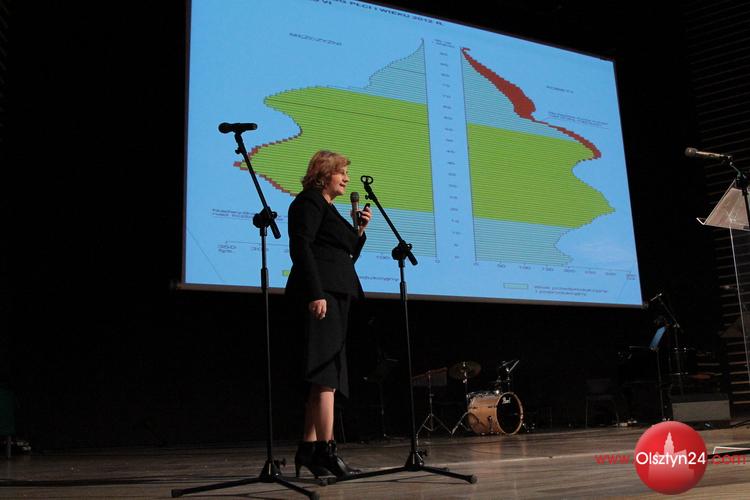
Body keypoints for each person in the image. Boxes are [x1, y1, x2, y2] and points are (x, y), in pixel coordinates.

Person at [285, 150, 372, 478]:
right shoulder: (308, 202)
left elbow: (344, 255)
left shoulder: (329, 208)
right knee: (325, 376)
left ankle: (308, 450)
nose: (347, 179)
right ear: (324, 174)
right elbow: (301, 247)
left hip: (336, 294)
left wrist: (359, 231)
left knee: (324, 375)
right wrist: (315, 293)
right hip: (322, 296)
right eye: (341, 172)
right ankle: (327, 451)